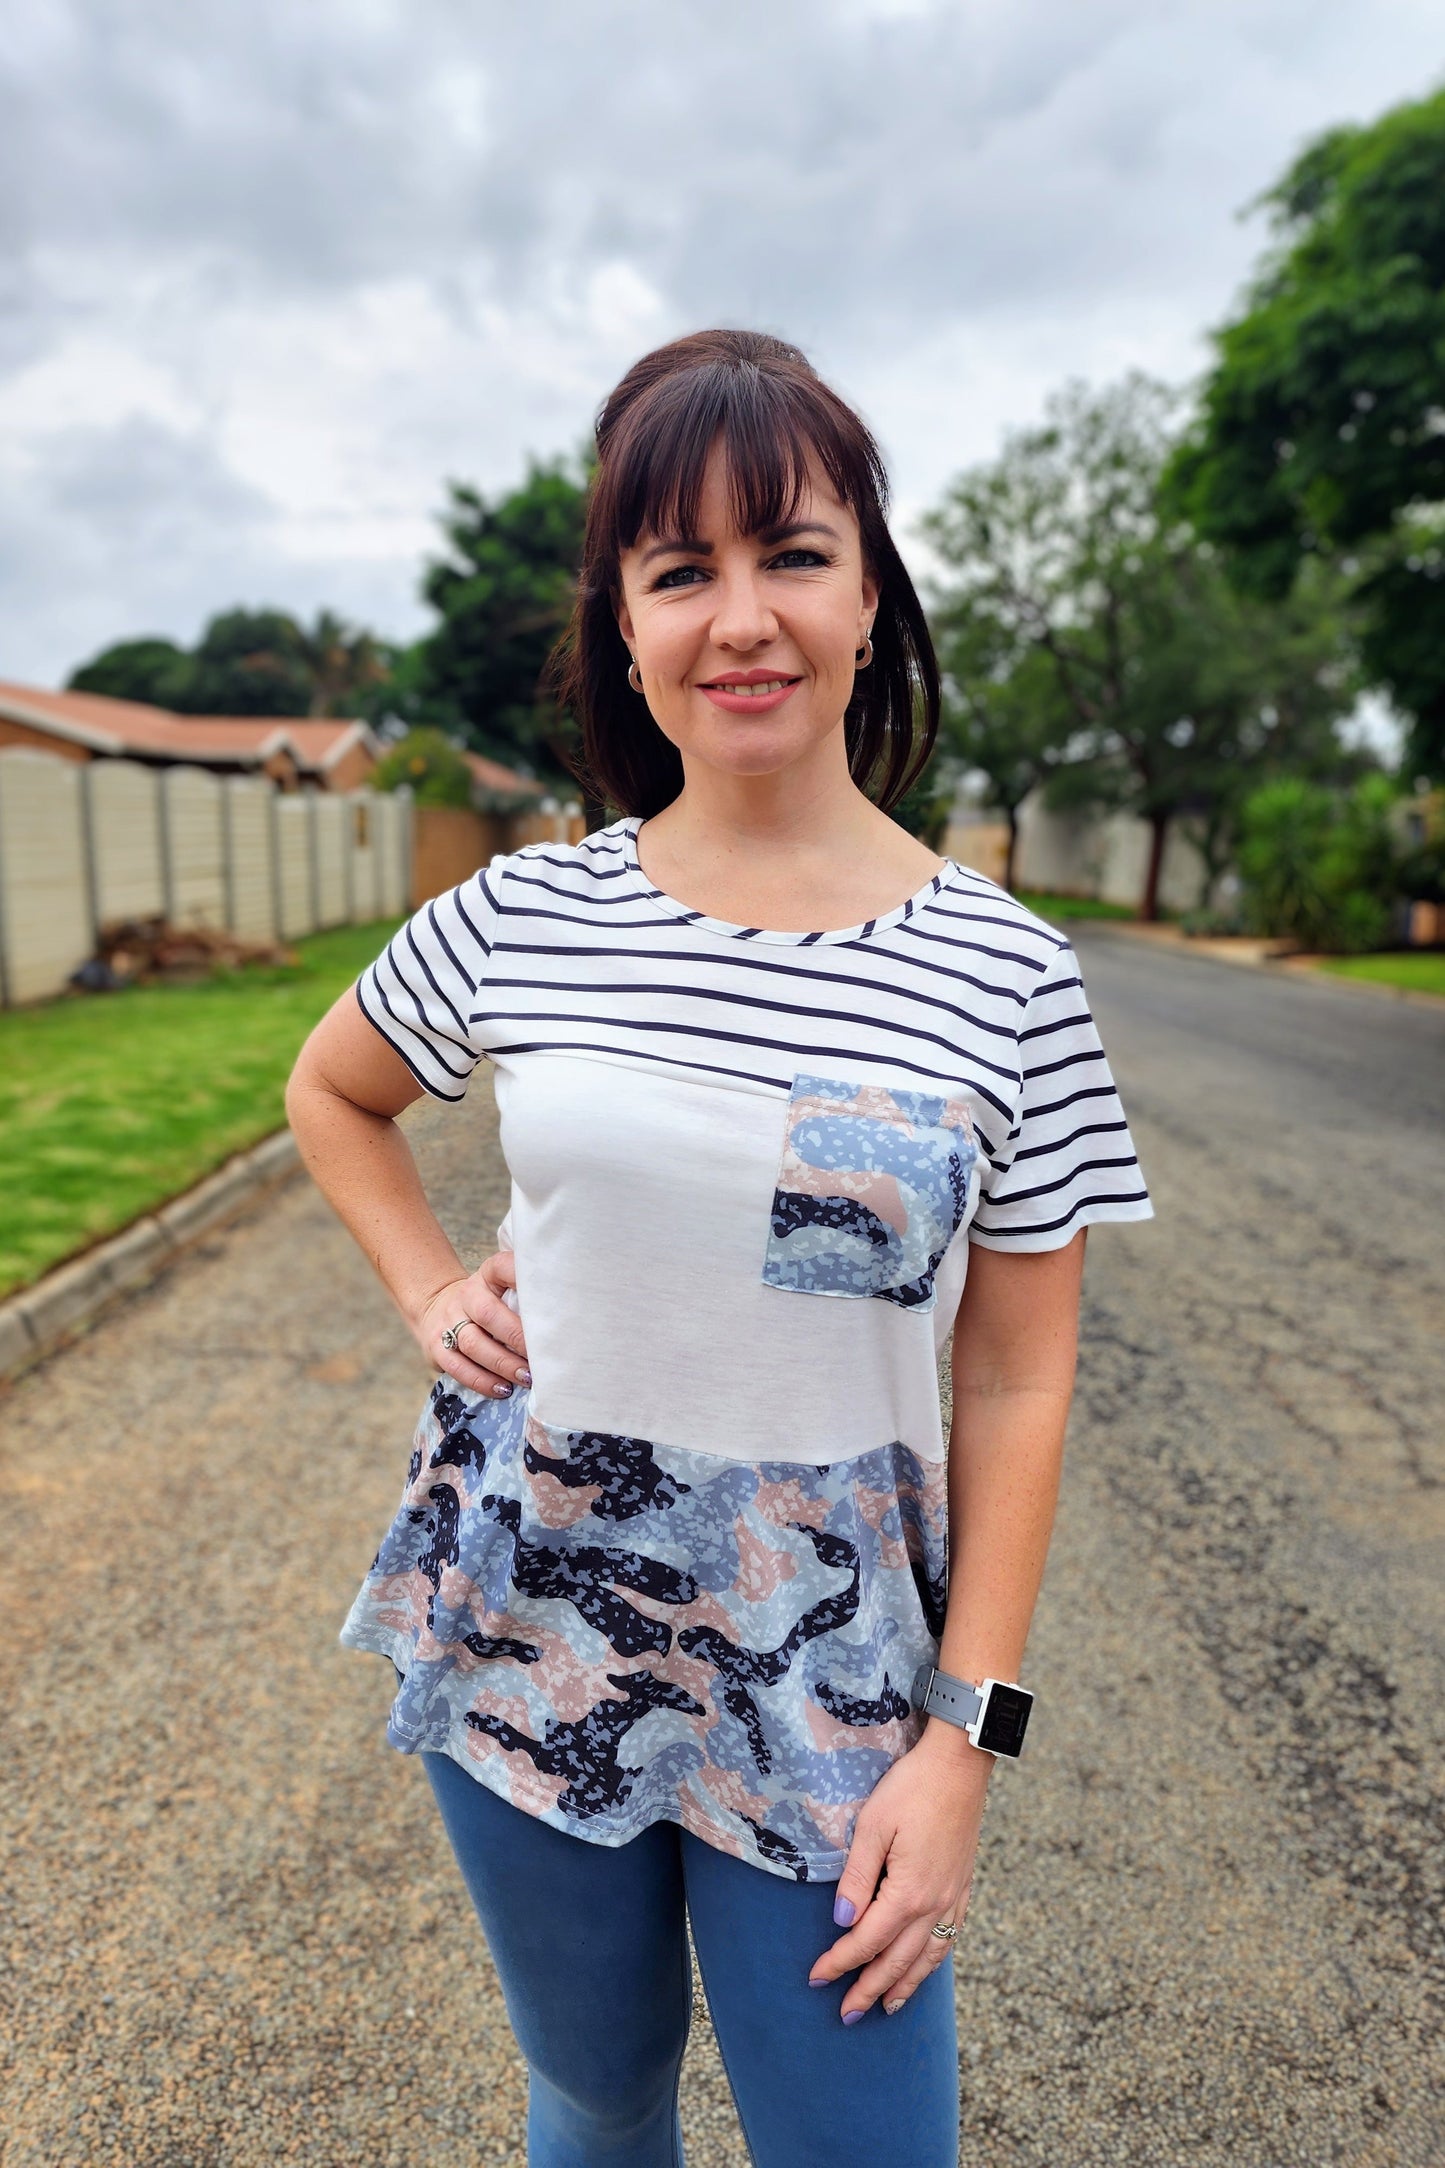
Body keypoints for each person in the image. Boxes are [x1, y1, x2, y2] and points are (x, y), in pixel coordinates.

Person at [285, 327, 1154, 2168]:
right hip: (535, 1608)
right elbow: (331, 1091)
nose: (739, 615)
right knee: (596, 2092)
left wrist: (962, 1737)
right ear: (624, 624)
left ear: (865, 600)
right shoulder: (524, 915)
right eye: (680, 571)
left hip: (827, 1657)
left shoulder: (1005, 975)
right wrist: (432, 1286)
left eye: (791, 554)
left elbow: (1015, 1368)